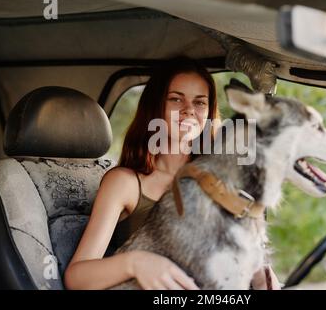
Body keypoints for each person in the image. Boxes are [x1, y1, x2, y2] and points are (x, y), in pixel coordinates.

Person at [64, 56, 280, 290]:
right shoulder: (125, 183)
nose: (189, 110)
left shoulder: (220, 184)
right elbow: (77, 277)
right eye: (176, 99)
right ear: (155, 107)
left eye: (200, 103)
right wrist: (135, 263)